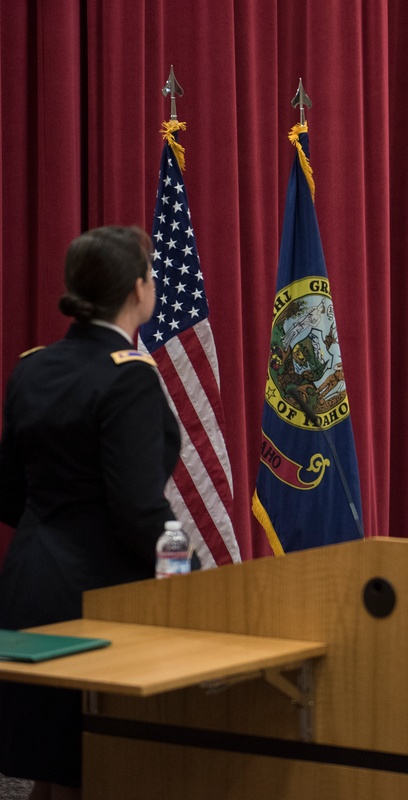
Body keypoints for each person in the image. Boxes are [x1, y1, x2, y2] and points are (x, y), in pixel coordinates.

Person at [0, 226, 180, 798]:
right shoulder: (128, 377)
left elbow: (7, 487)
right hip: (99, 594)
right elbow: (136, 510)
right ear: (138, 290)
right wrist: (189, 570)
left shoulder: (34, 367)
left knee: (55, 763)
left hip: (29, 582)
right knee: (99, 759)